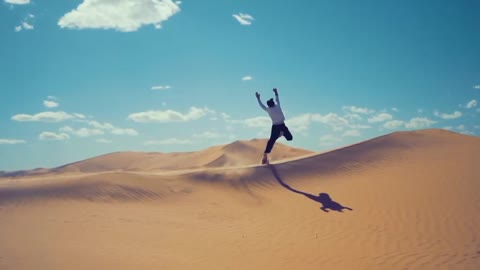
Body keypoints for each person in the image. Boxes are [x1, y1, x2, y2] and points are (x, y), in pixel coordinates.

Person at [255, 88, 293, 164]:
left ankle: (266, 154)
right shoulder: (277, 106)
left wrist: (258, 99)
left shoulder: (268, 109)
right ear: (273, 104)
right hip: (280, 126)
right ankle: (265, 155)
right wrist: (276, 92)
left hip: (277, 126)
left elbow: (262, 106)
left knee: (272, 140)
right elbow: (277, 99)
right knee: (288, 138)